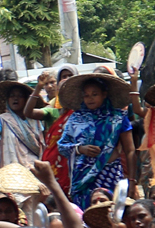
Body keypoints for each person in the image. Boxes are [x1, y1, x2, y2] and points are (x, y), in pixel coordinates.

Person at [56, 74, 135, 210]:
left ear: (104, 94)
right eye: (86, 95)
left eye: (94, 94)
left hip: (110, 174)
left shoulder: (118, 117)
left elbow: (130, 150)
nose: (90, 98)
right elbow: (62, 147)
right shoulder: (75, 118)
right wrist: (80, 149)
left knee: (111, 211)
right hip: (83, 178)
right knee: (86, 213)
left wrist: (132, 180)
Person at [0, 79, 46, 168]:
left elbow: (43, 143)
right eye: (12, 96)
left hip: (34, 169)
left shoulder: (35, 120)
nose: (15, 98)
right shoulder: (3, 120)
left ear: (26, 100)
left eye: (20, 96)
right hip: (12, 170)